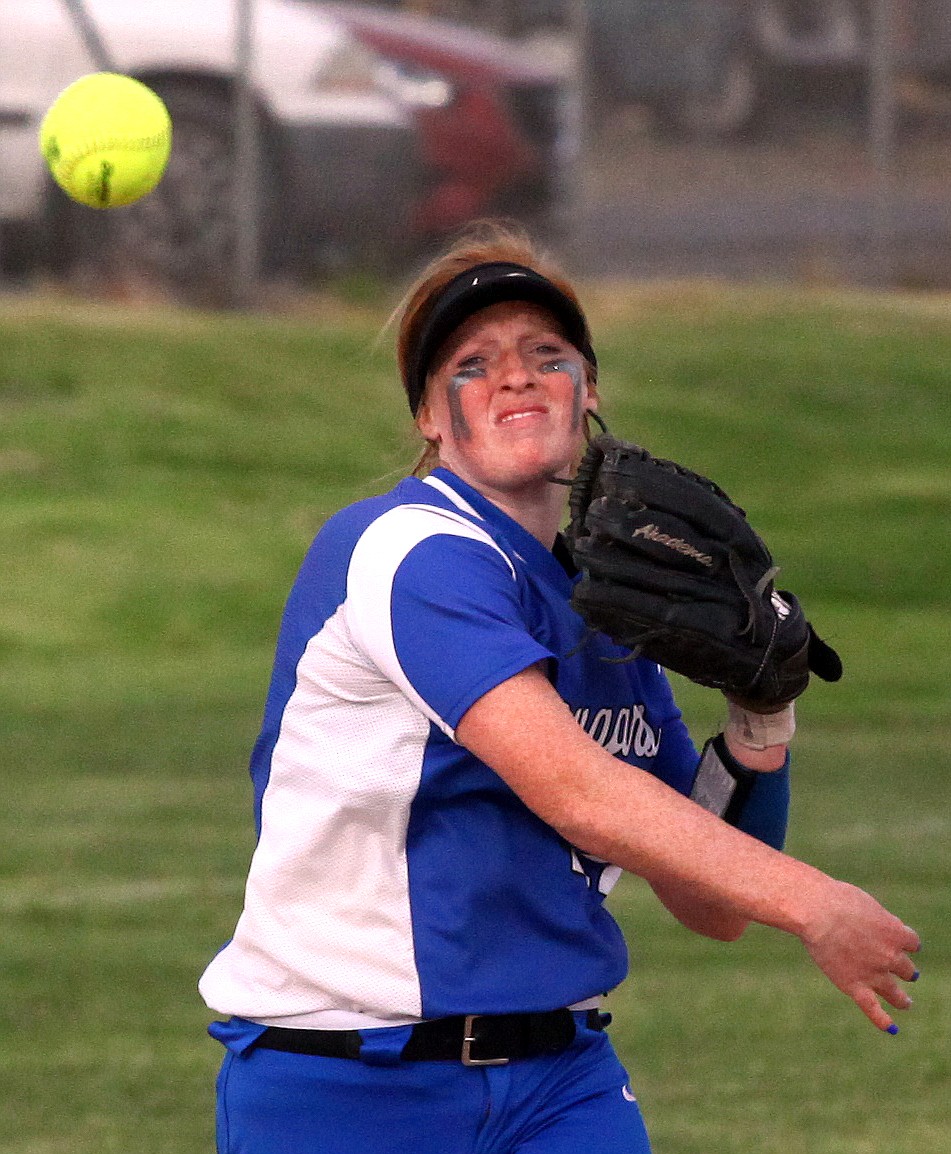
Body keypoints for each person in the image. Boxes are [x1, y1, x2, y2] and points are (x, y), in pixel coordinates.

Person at [199, 221, 920, 1154]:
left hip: (559, 1082)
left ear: (588, 393)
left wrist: (759, 720)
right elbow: (575, 790)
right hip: (344, 1084)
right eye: (472, 361)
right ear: (427, 415)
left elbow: (709, 906)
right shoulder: (405, 550)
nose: (515, 375)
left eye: (548, 355)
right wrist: (816, 902)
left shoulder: (610, 608)